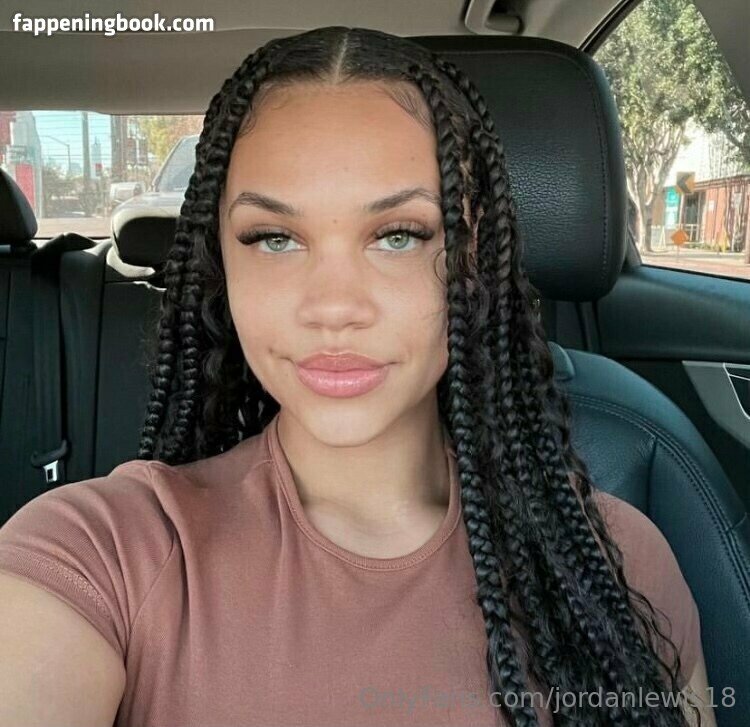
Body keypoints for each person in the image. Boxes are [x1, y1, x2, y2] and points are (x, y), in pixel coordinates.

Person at [0, 26, 716, 727]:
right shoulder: (100, 550)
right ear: (223, 261)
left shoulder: (613, 562)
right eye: (274, 238)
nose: (333, 306)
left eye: (398, 235)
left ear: (473, 257)